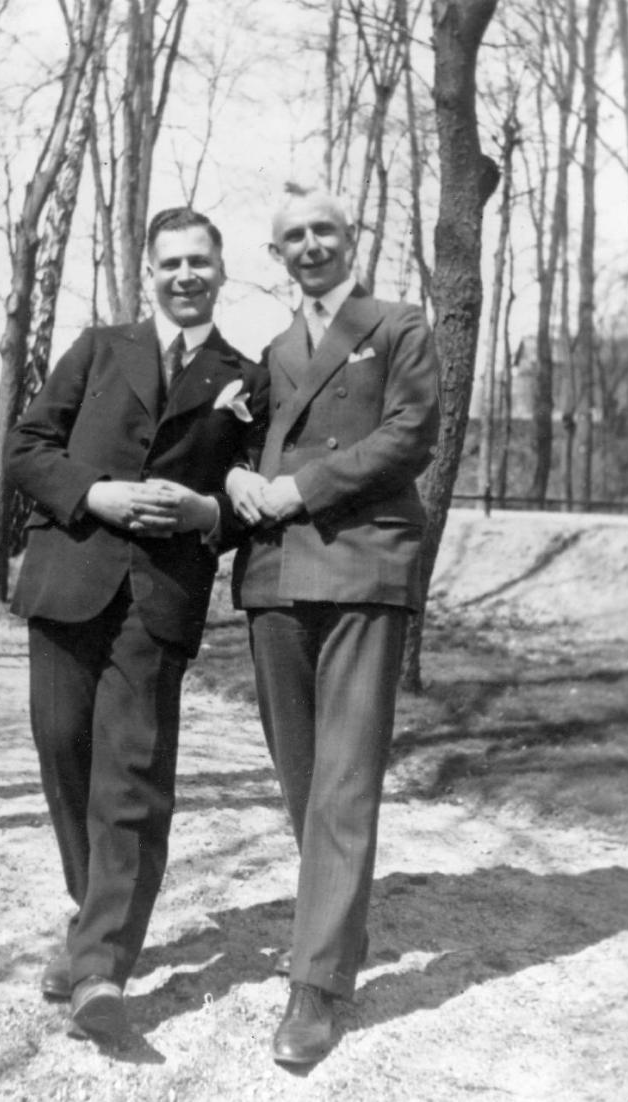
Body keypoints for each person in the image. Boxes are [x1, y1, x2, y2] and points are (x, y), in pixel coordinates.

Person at [7, 207, 268, 1043]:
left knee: (133, 774)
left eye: (200, 262)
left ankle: (100, 971)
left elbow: (250, 498)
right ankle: (95, 919)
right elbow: (27, 446)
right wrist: (95, 493)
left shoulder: (247, 378)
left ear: (221, 273)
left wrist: (204, 511)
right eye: (171, 264)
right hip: (69, 578)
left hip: (159, 597)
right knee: (63, 748)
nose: (186, 276)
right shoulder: (97, 348)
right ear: (147, 272)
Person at [227, 190, 439, 1066]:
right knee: (303, 778)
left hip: (359, 566)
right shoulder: (273, 350)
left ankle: (315, 986)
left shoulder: (397, 324)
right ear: (277, 256)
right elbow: (249, 448)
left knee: (344, 782)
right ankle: (335, 928)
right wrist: (240, 479)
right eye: (293, 238)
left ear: (350, 241)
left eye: (325, 231)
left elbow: (411, 434)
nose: (310, 245)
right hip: (275, 574)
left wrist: (299, 490)